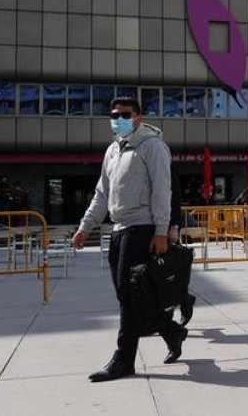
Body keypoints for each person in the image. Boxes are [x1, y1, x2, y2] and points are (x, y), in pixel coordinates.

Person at [71, 96, 187, 382]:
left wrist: (162, 229)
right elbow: (101, 193)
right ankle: (171, 330)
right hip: (119, 228)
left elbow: (163, 190)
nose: (118, 119)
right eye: (114, 114)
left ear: (138, 117)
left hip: (143, 228)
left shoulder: (153, 147)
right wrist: (86, 226)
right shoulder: (112, 150)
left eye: (125, 114)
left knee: (130, 297)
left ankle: (124, 360)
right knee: (129, 296)